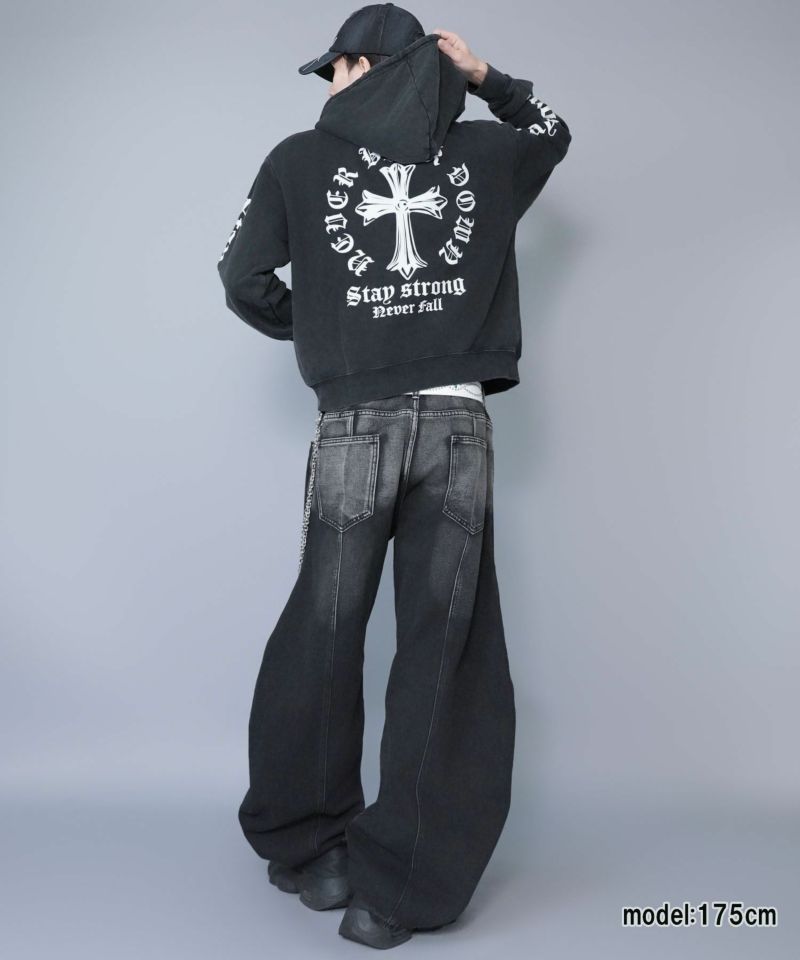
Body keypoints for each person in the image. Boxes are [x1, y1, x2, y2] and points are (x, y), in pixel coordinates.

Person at [216, 2, 571, 949]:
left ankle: (312, 850)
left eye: (334, 68)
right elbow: (552, 132)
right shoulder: (488, 154)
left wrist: (334, 331)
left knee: (323, 633)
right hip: (458, 426)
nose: (329, 85)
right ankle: (398, 893)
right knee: (443, 651)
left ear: (362, 68)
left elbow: (242, 279)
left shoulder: (298, 160)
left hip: (355, 425)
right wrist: (486, 78)